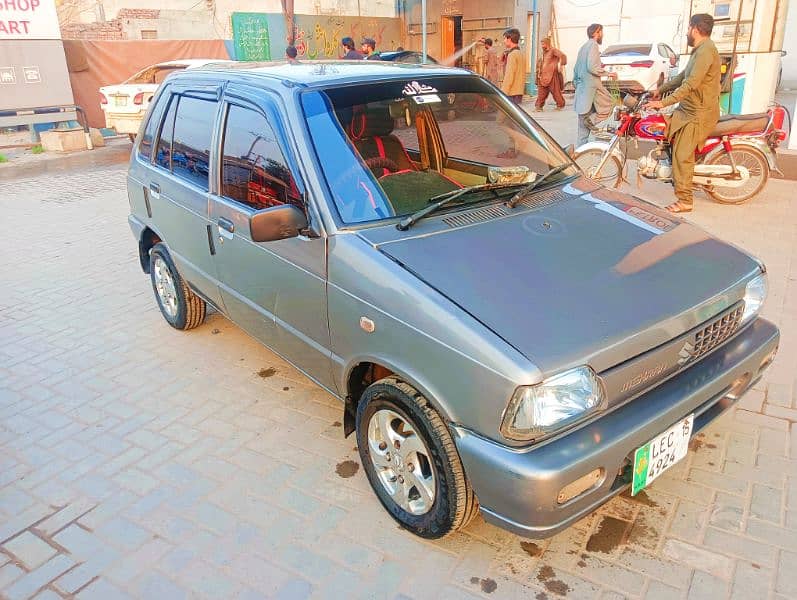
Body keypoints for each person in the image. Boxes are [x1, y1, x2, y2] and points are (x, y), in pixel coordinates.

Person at [644, 13, 720, 214]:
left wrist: (662, 103)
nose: (687, 32)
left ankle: (685, 200)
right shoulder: (700, 50)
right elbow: (681, 77)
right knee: (671, 140)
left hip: (698, 114)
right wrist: (659, 90)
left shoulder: (706, 51)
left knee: (682, 155)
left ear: (695, 28)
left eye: (688, 28)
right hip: (688, 109)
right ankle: (680, 179)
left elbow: (691, 84)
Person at [573, 23, 617, 146]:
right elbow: (592, 66)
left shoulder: (583, 47)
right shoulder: (593, 45)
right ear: (596, 33)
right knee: (610, 104)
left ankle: (580, 154)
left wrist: (579, 86)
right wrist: (608, 73)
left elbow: (576, 70)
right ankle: (591, 121)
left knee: (582, 132)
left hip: (582, 93)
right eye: (601, 32)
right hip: (591, 91)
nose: (602, 34)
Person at [535, 37, 567, 111]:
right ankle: (539, 106)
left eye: (543, 44)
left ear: (547, 43)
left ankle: (560, 105)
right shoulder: (544, 53)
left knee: (556, 91)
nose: (542, 46)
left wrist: (559, 65)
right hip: (543, 76)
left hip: (552, 75)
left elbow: (563, 56)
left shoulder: (553, 50)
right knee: (541, 92)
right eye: (541, 44)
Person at [501, 28, 525, 106]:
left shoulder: (512, 55)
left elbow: (509, 75)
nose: (503, 41)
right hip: (518, 92)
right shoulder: (520, 53)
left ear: (509, 39)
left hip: (511, 93)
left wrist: (503, 93)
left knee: (502, 117)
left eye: (504, 38)